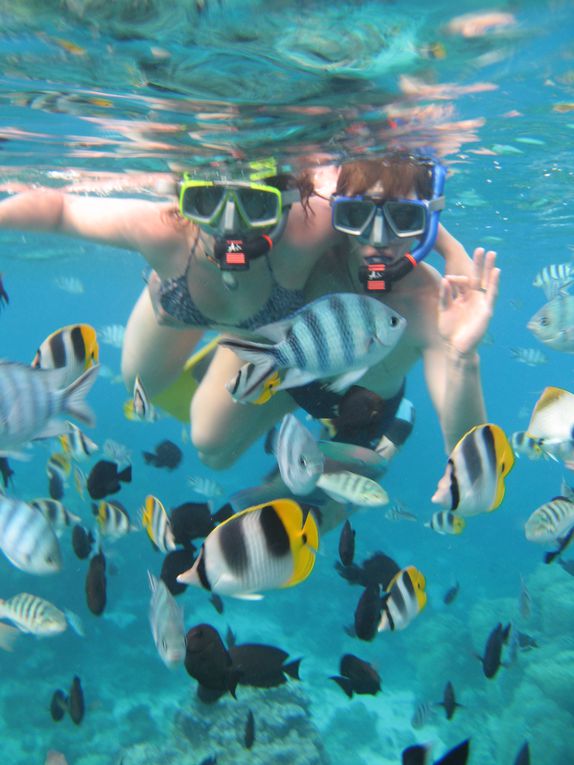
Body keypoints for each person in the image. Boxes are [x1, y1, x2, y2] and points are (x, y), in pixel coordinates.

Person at [0, 154, 493, 471]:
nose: (378, 241)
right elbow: (63, 210)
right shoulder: (307, 221)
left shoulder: (420, 295)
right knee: (175, 417)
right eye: (356, 219)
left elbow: (470, 456)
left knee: (225, 449)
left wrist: (462, 354)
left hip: (328, 378)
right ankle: (230, 341)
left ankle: (327, 418)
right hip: (248, 332)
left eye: (406, 223)